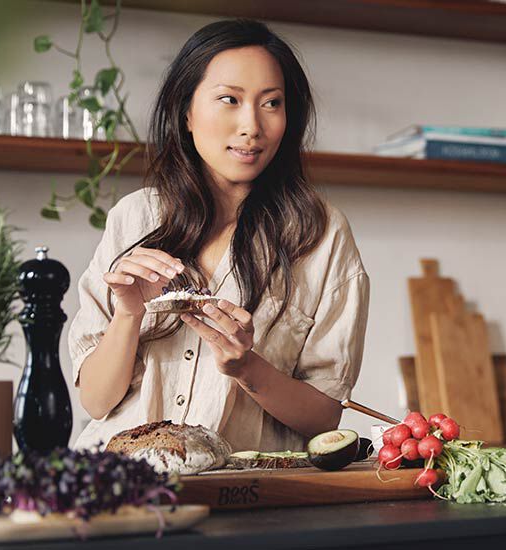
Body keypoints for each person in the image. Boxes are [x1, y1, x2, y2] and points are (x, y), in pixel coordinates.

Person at [68, 19, 369, 452]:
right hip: (121, 486)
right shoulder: (133, 219)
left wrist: (247, 367)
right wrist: (129, 315)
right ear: (186, 112)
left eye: (271, 103)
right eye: (229, 99)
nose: (252, 125)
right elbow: (96, 401)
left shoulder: (322, 234)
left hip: (248, 496)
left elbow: (326, 417)